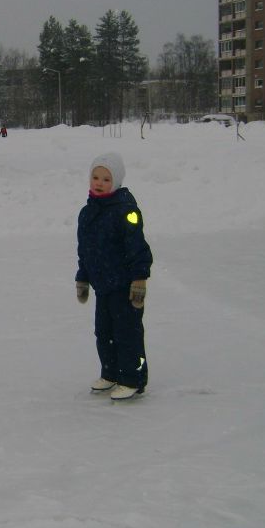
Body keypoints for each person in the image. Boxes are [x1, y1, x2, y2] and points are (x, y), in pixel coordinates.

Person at [75, 153, 153, 400]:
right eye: (95, 177)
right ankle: (110, 374)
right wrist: (83, 277)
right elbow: (85, 250)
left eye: (106, 179)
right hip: (103, 287)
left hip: (124, 286)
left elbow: (137, 246)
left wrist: (139, 281)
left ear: (116, 181)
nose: (99, 182)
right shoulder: (87, 213)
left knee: (127, 333)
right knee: (104, 332)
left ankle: (132, 379)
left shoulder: (126, 211)